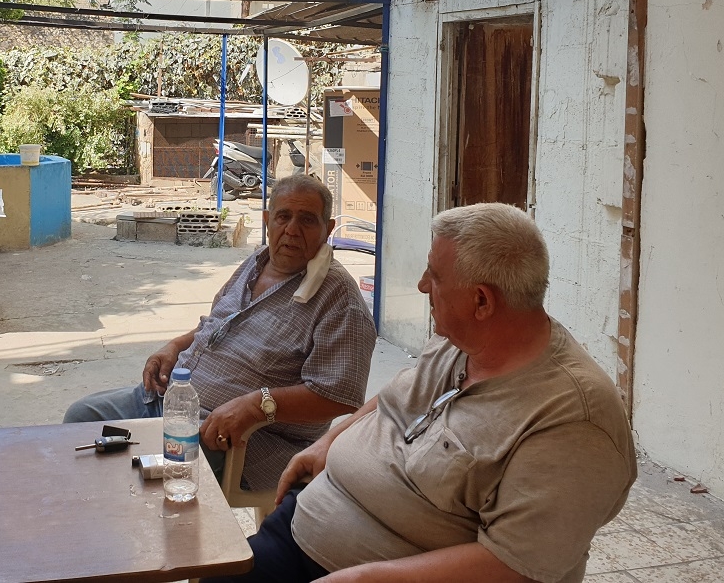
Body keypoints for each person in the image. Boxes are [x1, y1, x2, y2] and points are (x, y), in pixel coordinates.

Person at [203, 202, 637, 583]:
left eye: (435, 275)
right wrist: (330, 442)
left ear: (482, 302)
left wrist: (366, 579)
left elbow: (513, 567)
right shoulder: (459, 342)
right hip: (305, 523)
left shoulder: (574, 423)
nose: (422, 285)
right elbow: (396, 397)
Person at [64, 174, 376, 491]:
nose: (292, 230)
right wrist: (173, 347)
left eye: (307, 220)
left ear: (329, 228)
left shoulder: (340, 301)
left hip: (231, 437)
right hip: (171, 401)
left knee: (148, 481)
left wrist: (257, 405)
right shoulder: (256, 262)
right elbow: (214, 324)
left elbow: (339, 397)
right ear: (268, 221)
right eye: (283, 216)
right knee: (82, 419)